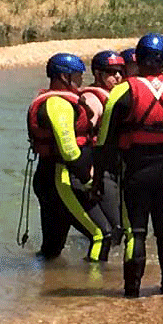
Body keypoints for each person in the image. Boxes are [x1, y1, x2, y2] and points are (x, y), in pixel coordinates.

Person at [97, 34, 163, 295]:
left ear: (138, 58)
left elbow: (104, 141)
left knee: (136, 232)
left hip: (136, 171)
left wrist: (98, 180)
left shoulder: (122, 92)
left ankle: (132, 293)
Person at [26, 53, 115, 262]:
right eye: (76, 75)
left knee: (51, 250)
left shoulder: (62, 101)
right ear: (63, 77)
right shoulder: (58, 104)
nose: (81, 80)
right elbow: (69, 151)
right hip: (61, 180)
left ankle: (45, 288)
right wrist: (89, 179)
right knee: (101, 235)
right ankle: (94, 291)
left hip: (52, 178)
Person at [79, 50, 128, 247]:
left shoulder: (116, 96)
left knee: (123, 224)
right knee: (116, 228)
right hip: (100, 169)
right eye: (111, 72)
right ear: (98, 74)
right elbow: (84, 137)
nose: (117, 76)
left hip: (115, 167)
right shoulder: (92, 98)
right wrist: (89, 171)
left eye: (120, 71)